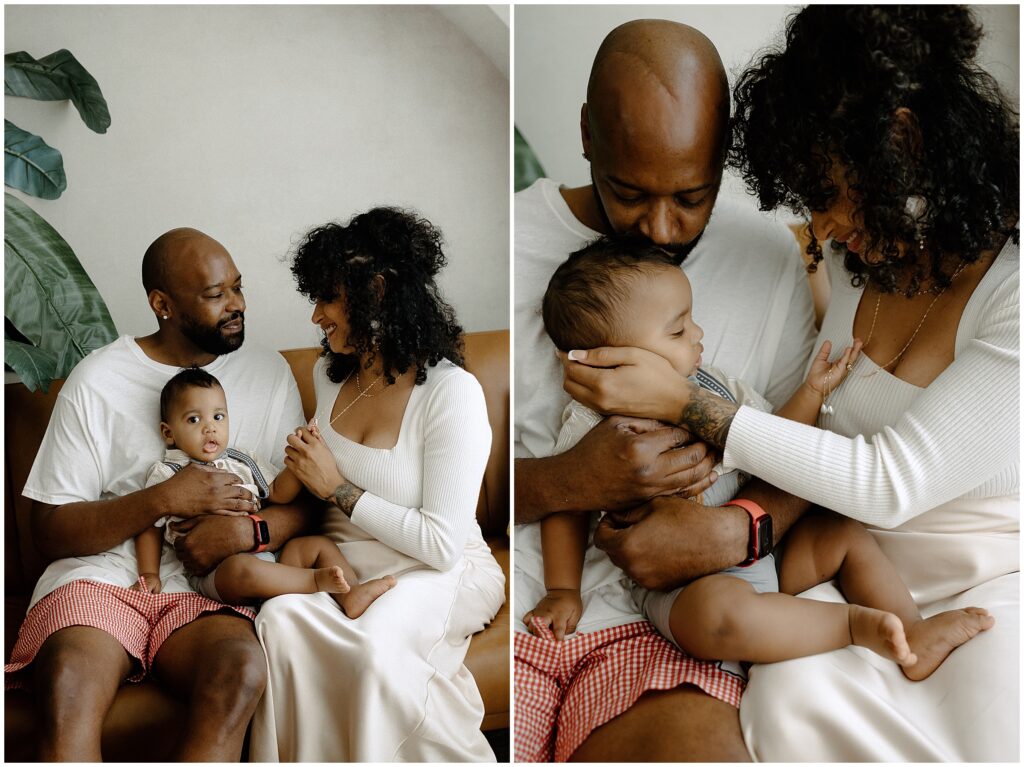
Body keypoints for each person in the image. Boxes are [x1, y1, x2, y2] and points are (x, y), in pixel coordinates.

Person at [562, 7, 1019, 761]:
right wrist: (739, 525)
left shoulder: (1013, 296)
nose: (818, 223)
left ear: (902, 144)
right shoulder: (852, 256)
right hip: (831, 567)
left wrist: (687, 402)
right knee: (786, 708)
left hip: (980, 584)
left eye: (828, 192)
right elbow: (819, 429)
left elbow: (885, 480)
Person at [514, 19, 816, 762]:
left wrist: (736, 527)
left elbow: (810, 457)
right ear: (587, 134)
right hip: (522, 601)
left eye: (691, 196)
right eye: (629, 191)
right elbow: (446, 481)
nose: (659, 225)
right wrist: (571, 478)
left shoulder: (771, 263)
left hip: (669, 628)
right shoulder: (515, 241)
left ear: (724, 158)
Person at [523, 234, 991, 683]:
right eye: (679, 329)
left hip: (772, 549)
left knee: (842, 532)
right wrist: (562, 590)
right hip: (683, 586)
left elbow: (774, 439)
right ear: (601, 360)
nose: (699, 333)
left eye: (693, 319)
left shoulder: (716, 386)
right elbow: (567, 503)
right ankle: (852, 626)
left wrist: (811, 393)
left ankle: (912, 628)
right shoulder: (594, 423)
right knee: (718, 618)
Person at [5, 228, 312, 761]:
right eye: (216, 296)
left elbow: (305, 500)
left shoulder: (268, 373)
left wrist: (248, 530)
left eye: (238, 288)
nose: (236, 306)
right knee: (70, 680)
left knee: (239, 670)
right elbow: (48, 530)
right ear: (162, 304)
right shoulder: (99, 379)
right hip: (100, 576)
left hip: (204, 583)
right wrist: (164, 499)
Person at [249, 207, 506, 762]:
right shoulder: (329, 373)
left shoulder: (449, 393)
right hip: (348, 567)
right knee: (280, 621)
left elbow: (440, 545)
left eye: (328, 298)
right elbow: (302, 473)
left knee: (375, 650)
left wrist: (339, 489)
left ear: (379, 292)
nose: (316, 315)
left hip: (439, 571)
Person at [133, 365, 395, 617]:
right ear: (169, 433)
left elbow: (276, 493)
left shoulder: (242, 459)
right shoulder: (168, 473)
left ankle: (351, 594)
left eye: (218, 416)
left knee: (317, 545)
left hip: (276, 560)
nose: (209, 427)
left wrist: (296, 462)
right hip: (218, 571)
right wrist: (149, 573)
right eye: (194, 419)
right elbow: (149, 525)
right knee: (242, 569)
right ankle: (313, 581)